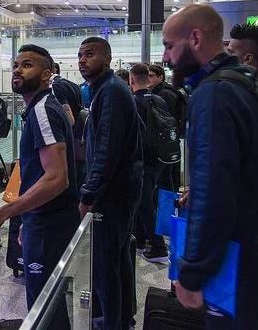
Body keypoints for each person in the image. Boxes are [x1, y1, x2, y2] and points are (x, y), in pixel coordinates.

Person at [162, 3, 258, 329]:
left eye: (169, 46)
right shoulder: (246, 82)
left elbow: (214, 190)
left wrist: (193, 272)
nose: (165, 58)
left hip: (234, 263)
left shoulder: (213, 94)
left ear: (196, 39)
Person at [0, 44, 79, 328]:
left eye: (27, 65)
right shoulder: (40, 109)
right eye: (17, 64)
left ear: (46, 75)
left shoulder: (44, 110)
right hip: (42, 220)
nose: (18, 69)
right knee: (48, 301)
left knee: (45, 307)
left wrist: (4, 214)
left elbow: (57, 178)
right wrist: (26, 220)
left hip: (49, 222)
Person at [78, 37, 143, 330]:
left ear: (107, 59)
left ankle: (114, 323)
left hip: (112, 194)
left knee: (106, 266)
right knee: (117, 257)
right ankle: (121, 318)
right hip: (119, 190)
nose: (82, 60)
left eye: (89, 55)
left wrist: (89, 193)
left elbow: (107, 148)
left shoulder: (112, 91)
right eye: (80, 55)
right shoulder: (105, 90)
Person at [129, 63, 169, 263]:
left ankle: (159, 247)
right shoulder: (159, 100)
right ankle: (142, 240)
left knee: (143, 203)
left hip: (142, 158)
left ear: (132, 80)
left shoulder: (133, 101)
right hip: (159, 158)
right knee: (147, 199)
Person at [147, 63, 184, 191]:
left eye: (151, 76)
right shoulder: (161, 93)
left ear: (161, 77)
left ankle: (167, 210)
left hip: (166, 147)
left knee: (166, 183)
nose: (148, 79)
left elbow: (167, 123)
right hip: (169, 145)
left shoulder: (164, 95)